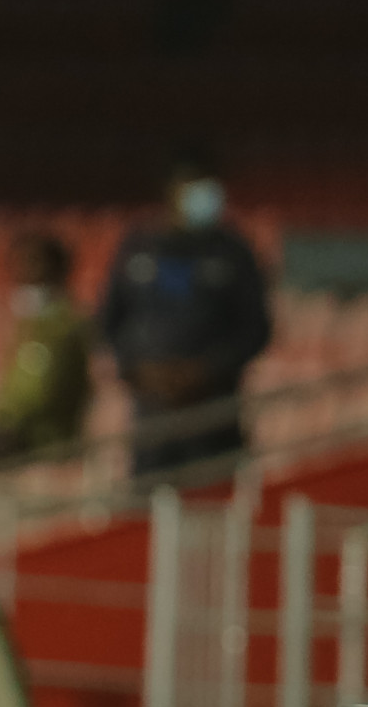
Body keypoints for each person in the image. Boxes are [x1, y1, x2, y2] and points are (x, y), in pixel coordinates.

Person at [98, 152, 272, 476]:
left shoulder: (233, 252)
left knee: (212, 503)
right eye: (194, 188)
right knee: (148, 508)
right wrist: (141, 371)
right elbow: (110, 321)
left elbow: (256, 329)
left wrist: (205, 371)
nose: (205, 197)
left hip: (213, 412)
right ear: (171, 192)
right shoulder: (138, 247)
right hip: (152, 414)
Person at [0, 232, 93, 465]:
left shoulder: (63, 327)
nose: (23, 275)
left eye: (34, 265)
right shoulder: (27, 324)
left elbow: (38, 394)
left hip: (45, 448)